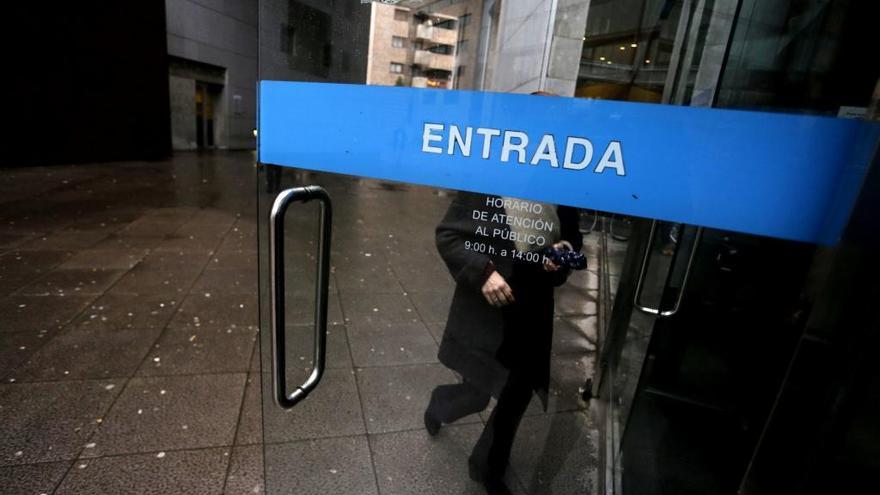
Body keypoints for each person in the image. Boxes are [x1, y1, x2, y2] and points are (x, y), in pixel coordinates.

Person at [425, 191, 582, 495]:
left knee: (517, 392)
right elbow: (449, 235)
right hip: (490, 301)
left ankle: (488, 466)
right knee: (479, 390)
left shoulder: (563, 181)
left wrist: (563, 252)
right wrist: (483, 273)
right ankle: (440, 403)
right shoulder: (492, 177)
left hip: (535, 301)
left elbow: (574, 239)